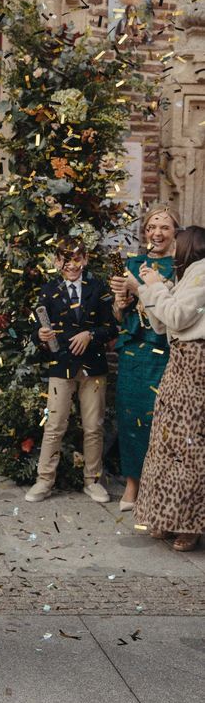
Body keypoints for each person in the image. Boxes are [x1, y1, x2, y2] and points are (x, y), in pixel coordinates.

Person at [26, 237, 118, 504]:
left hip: (93, 367)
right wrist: (40, 335)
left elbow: (111, 328)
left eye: (77, 258)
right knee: (54, 424)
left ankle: (93, 480)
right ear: (57, 262)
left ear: (85, 259)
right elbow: (35, 331)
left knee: (93, 426)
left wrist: (90, 334)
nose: (71, 264)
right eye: (65, 259)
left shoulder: (98, 287)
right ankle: (44, 480)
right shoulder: (48, 289)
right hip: (61, 366)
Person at [134, 225, 205, 552]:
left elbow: (177, 316)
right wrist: (149, 289)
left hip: (196, 366)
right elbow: (163, 323)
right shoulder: (190, 273)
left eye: (177, 242)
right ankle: (164, 515)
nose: (173, 248)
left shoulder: (203, 273)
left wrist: (153, 289)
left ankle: (190, 524)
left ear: (190, 245)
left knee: (190, 445)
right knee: (166, 440)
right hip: (179, 364)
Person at [109, 205, 179, 511]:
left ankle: (155, 486)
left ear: (175, 231)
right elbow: (119, 315)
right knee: (129, 416)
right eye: (152, 227)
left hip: (162, 352)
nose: (157, 233)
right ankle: (132, 485)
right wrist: (119, 301)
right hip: (133, 352)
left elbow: (175, 311)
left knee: (159, 421)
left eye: (164, 227)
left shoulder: (181, 268)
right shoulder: (133, 264)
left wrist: (141, 290)